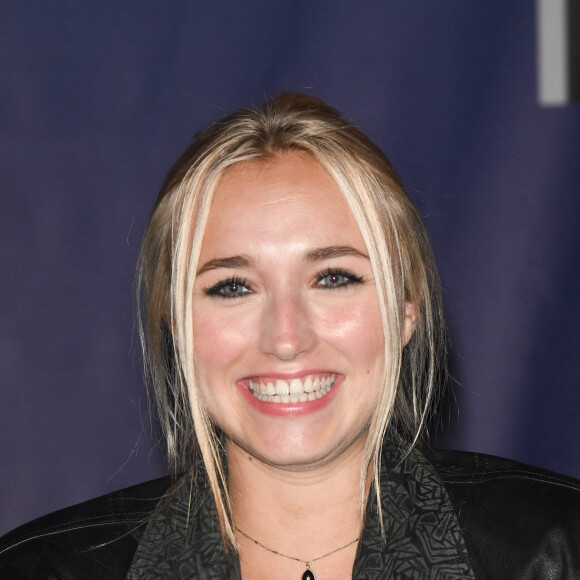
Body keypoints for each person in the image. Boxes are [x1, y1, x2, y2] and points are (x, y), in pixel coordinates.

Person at [1, 92, 579, 579]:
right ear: (176, 327)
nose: (285, 338)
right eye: (233, 287)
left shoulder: (556, 551)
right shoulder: (42, 569)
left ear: (407, 311)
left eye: (333, 278)